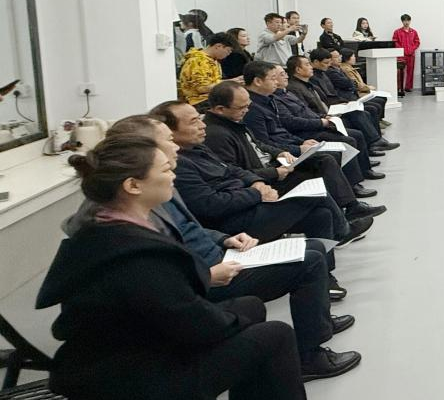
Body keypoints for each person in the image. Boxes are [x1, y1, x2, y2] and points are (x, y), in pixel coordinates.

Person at [37, 136, 333, 400]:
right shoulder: (137, 255)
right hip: (139, 392)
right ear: (133, 185)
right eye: (165, 170)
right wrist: (230, 316)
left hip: (113, 366)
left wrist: (232, 313)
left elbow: (172, 310)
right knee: (276, 335)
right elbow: (198, 326)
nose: (173, 175)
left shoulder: (101, 231)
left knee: (250, 305)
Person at [100, 115, 360, 378]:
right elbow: (169, 260)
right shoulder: (138, 207)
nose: (175, 145)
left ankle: (318, 320)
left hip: (220, 251)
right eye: (168, 140)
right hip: (209, 273)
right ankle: (310, 356)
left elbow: (191, 226)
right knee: (310, 259)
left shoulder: (164, 179)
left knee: (314, 240)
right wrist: (206, 274)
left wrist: (223, 238)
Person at [160, 101, 351, 245]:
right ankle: (345, 231)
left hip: (248, 198)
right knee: (316, 194)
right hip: (233, 219)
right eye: (193, 122)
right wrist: (257, 192)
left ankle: (326, 272)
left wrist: (256, 182)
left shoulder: (197, 147)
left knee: (321, 215)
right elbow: (210, 205)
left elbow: (232, 169)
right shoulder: (179, 163)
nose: (202, 126)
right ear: (169, 132)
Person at [236, 64, 384, 214]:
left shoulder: (269, 99)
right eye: (273, 78)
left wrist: (301, 143)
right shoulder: (253, 109)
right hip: (281, 153)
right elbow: (265, 141)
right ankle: (350, 204)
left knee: (341, 144)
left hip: (290, 142)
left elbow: (282, 130)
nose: (277, 81)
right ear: (258, 81)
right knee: (328, 157)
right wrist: (297, 148)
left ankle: (349, 199)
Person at [335, 49, 392, 127]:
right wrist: (368, 88)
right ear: (347, 58)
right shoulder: (346, 69)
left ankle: (380, 119)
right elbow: (356, 84)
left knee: (382, 98)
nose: (355, 58)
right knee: (378, 101)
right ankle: (377, 121)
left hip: (361, 90)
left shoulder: (349, 67)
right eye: (353, 56)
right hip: (358, 92)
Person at [178, 32, 233, 106]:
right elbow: (202, 88)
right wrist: (230, 82)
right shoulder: (198, 61)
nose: (228, 54)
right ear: (218, 46)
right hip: (198, 101)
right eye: (228, 50)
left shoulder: (213, 61)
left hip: (210, 98)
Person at [391, 15, 421, 96]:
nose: (406, 22)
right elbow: (395, 42)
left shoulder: (414, 32)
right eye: (404, 20)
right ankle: (399, 87)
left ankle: (408, 87)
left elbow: (417, 42)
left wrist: (412, 49)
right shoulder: (397, 32)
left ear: (410, 21)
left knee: (410, 71)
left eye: (408, 20)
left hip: (411, 55)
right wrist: (402, 50)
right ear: (402, 21)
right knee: (400, 72)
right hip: (401, 55)